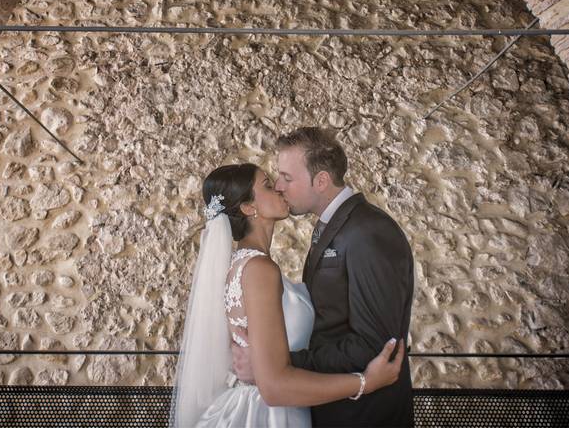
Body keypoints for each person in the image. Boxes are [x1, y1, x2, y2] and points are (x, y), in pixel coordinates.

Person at [172, 163, 405, 428]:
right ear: (249, 208)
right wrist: (365, 382)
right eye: (268, 186)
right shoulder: (259, 270)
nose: (280, 189)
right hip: (265, 416)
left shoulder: (243, 264)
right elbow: (274, 387)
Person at [233, 127, 415, 427]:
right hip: (334, 409)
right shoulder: (332, 227)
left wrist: (279, 366)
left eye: (287, 178)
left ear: (320, 181)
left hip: (364, 416)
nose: (279, 186)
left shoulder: (367, 232)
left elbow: (374, 345)